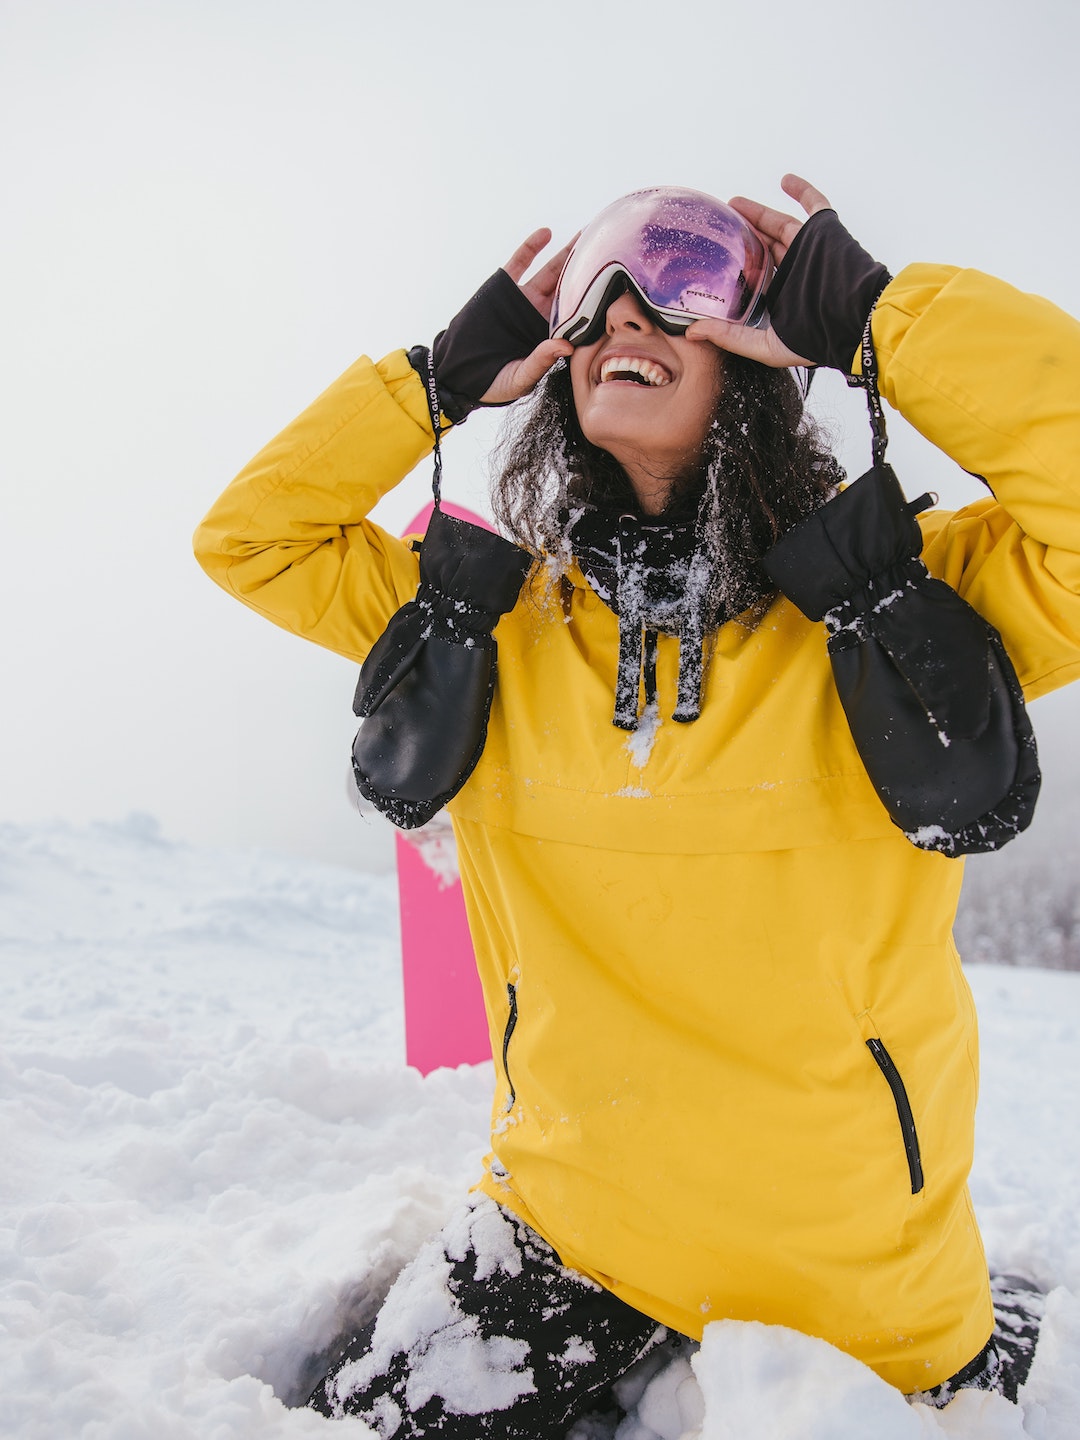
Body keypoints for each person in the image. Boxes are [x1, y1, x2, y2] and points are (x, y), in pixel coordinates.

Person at [193, 176, 1080, 1431]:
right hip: (567, 1227)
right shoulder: (490, 626)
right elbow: (252, 538)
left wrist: (887, 320)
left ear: (759, 357)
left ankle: (1001, 1311)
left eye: (686, 287)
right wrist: (431, 385)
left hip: (853, 1267)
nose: (626, 315)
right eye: (598, 295)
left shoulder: (899, 615)